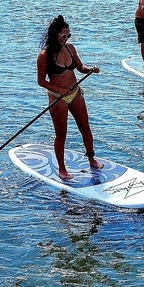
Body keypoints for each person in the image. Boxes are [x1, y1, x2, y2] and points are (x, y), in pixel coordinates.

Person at [37, 15, 102, 180]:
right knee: (61, 134)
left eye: (68, 36)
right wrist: (59, 89)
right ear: (55, 34)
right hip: (58, 97)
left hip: (75, 93)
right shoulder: (44, 55)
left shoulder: (70, 48)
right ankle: (62, 169)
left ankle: (92, 159)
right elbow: (41, 81)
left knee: (85, 127)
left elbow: (80, 67)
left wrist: (90, 69)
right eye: (63, 36)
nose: (66, 39)